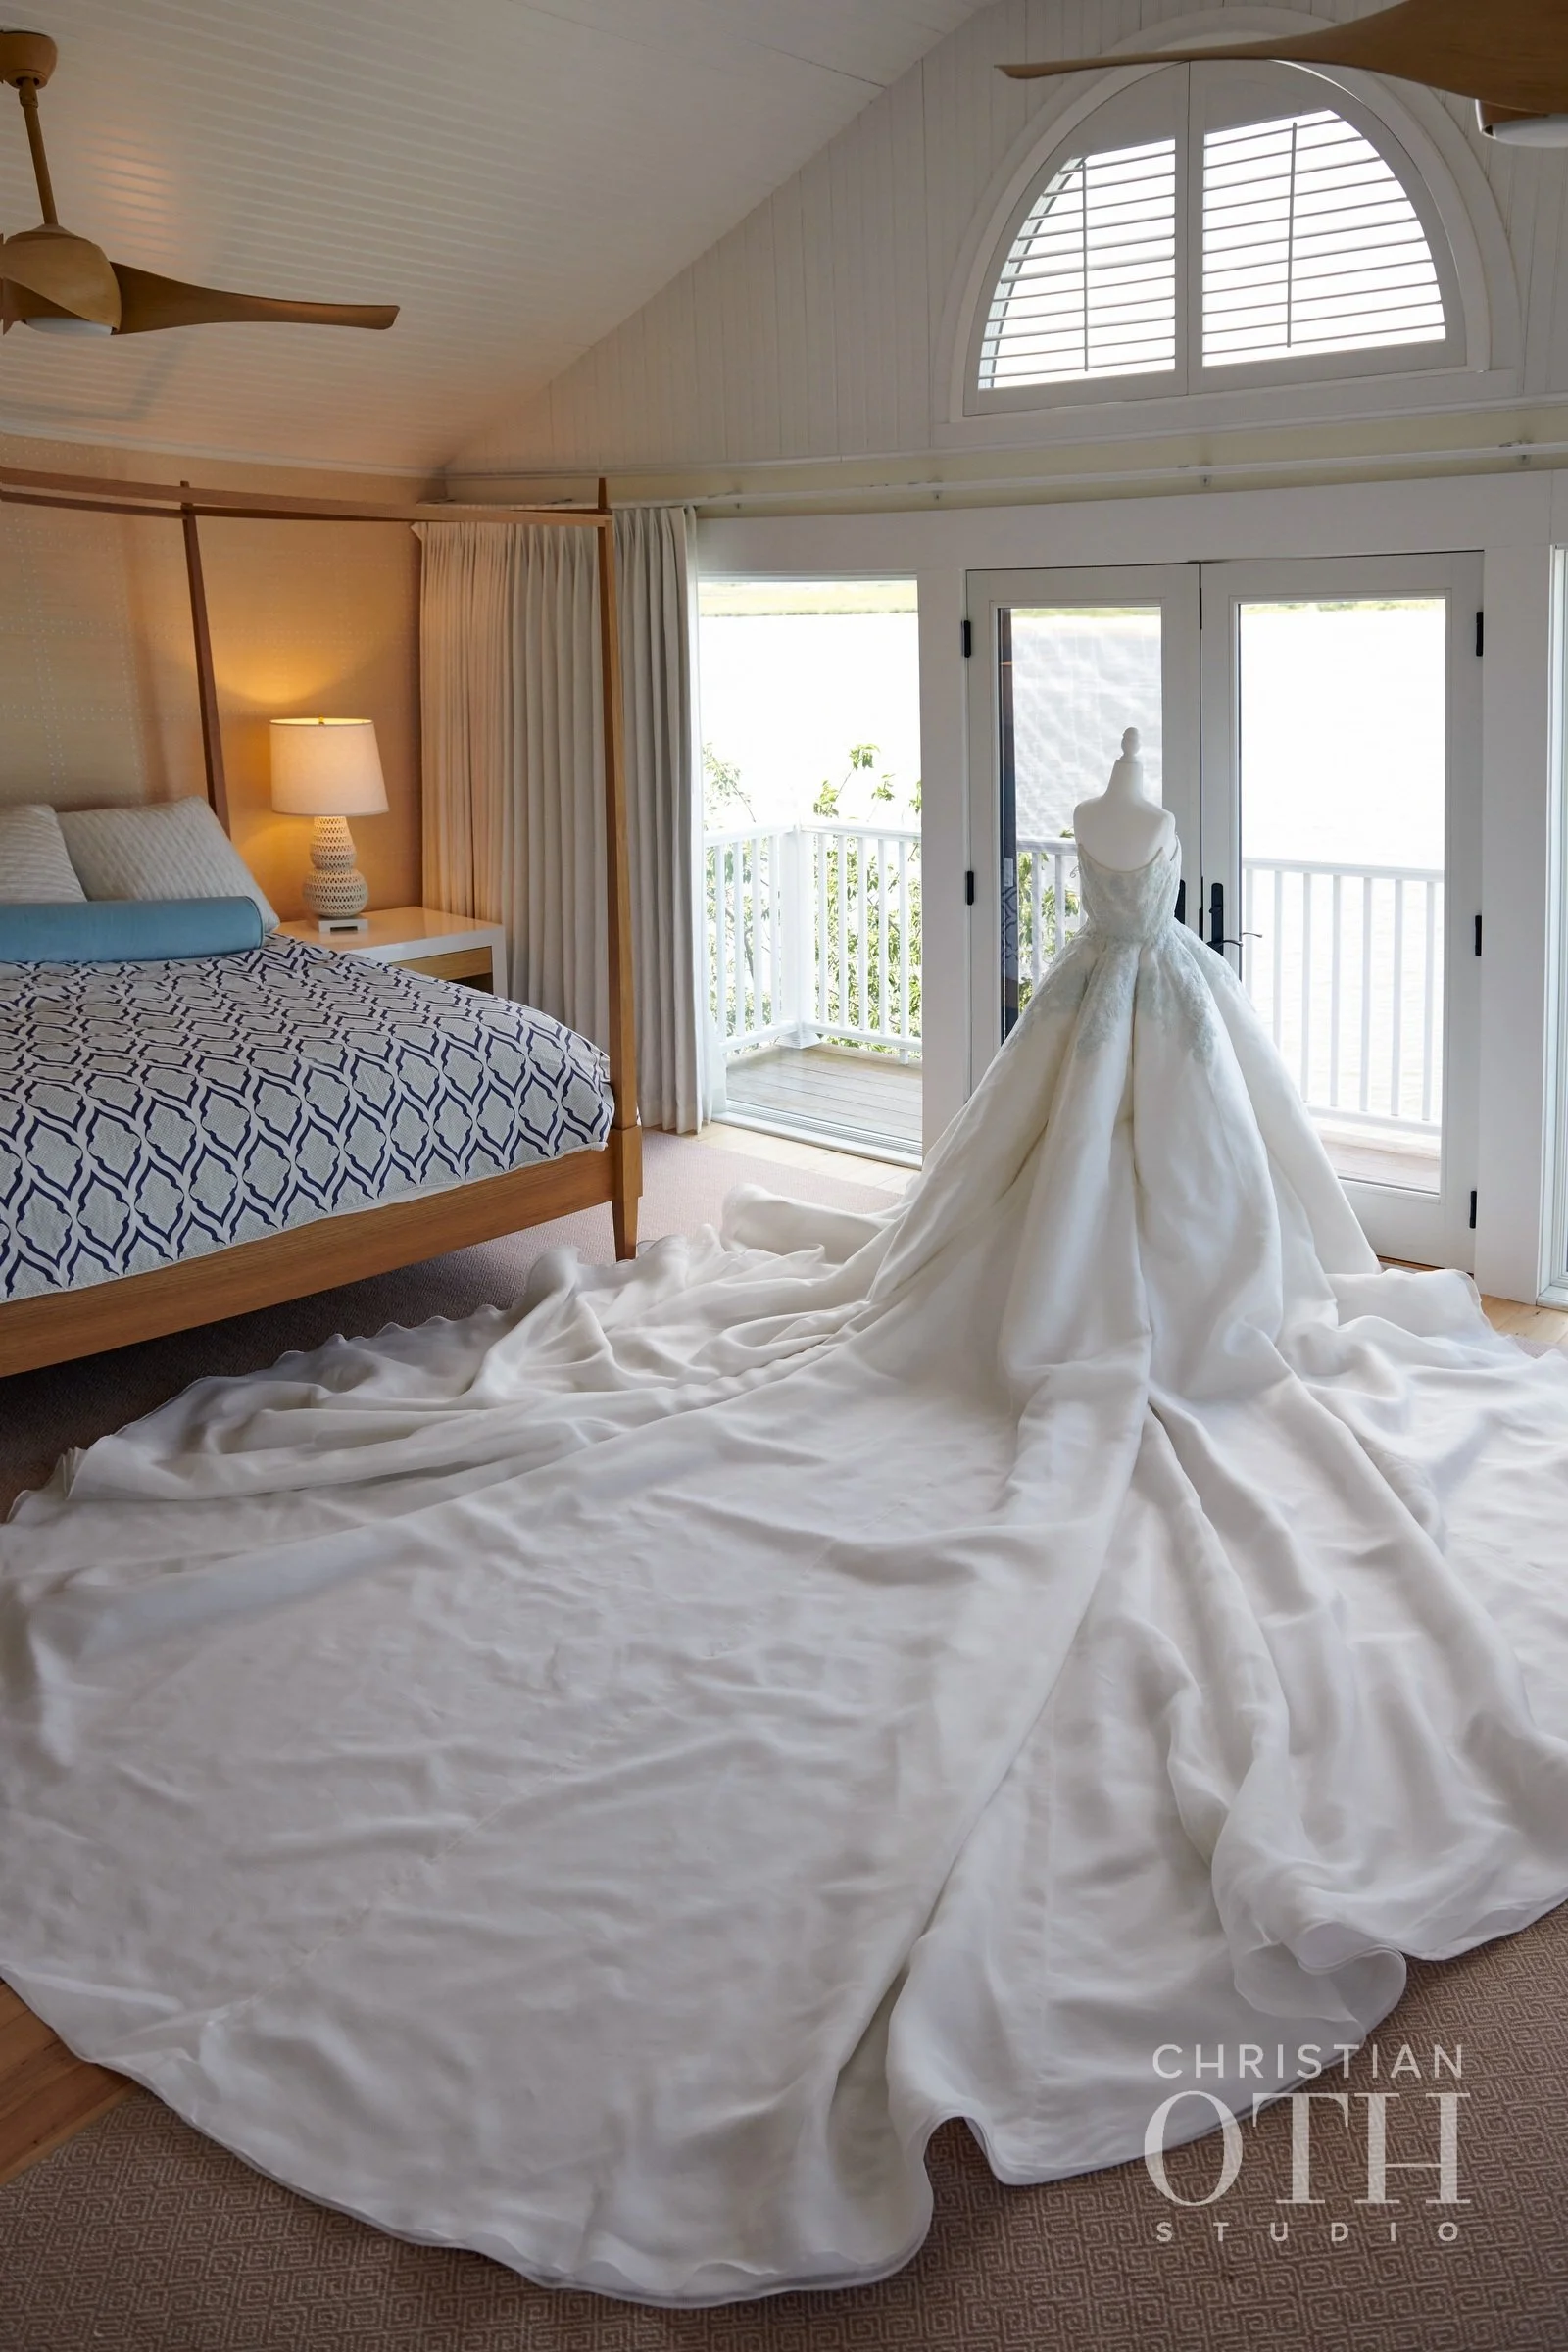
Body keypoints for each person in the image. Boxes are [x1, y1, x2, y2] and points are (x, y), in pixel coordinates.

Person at [2, 736, 1566, 2306]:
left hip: (1128, 1015)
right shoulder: (1130, 847)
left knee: (1163, 1249)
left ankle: (1136, 1325)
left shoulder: (1125, 862)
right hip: (1111, 1008)